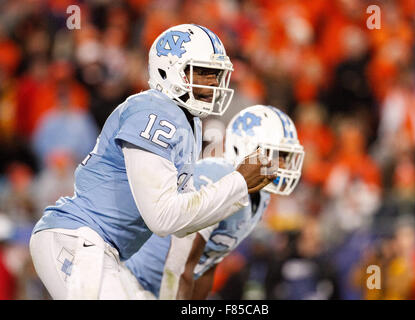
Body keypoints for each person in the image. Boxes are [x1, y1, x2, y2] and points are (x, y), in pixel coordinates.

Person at [29, 24, 275, 300]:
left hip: (103, 249)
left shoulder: (187, 122)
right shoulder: (154, 111)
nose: (213, 83)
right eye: (204, 72)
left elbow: (182, 223)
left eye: (216, 74)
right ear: (170, 70)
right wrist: (238, 182)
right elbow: (162, 217)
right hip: (79, 239)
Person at [125, 104, 305, 299]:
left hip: (162, 287)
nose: (284, 165)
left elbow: (206, 267)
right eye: (277, 155)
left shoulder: (261, 198)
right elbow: (180, 265)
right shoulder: (216, 175)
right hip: (132, 282)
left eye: (286, 157)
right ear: (247, 149)